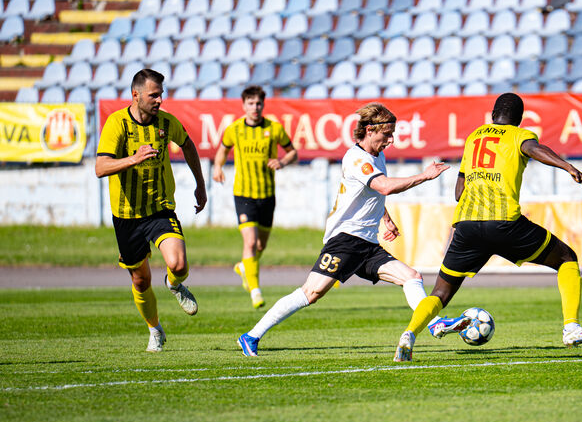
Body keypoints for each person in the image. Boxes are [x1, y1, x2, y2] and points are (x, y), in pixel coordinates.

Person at [393, 93, 582, 362]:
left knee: (440, 293)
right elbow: (534, 149)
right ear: (519, 118)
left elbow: (459, 192)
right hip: (504, 223)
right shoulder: (520, 135)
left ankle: (409, 335)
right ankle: (571, 328)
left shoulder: (474, 138)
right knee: (566, 258)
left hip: (467, 226)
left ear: (493, 114)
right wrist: (566, 166)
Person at [236, 102, 449, 356]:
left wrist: (386, 218)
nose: (391, 140)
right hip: (346, 240)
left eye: (392, 134)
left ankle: (433, 323)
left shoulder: (378, 156)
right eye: (387, 134)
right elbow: (384, 186)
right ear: (370, 130)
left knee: (411, 277)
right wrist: (424, 176)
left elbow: (369, 193)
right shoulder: (357, 158)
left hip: (367, 243)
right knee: (311, 292)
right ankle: (251, 336)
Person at [95, 68, 207, 352]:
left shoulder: (166, 123)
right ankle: (155, 329)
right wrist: (133, 159)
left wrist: (200, 185)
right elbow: (100, 167)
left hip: (159, 209)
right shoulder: (117, 123)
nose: (160, 100)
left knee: (178, 264)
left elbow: (188, 145)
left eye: (161, 94)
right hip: (127, 216)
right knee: (140, 279)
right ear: (136, 95)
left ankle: (174, 284)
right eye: (154, 95)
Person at [212, 86, 298, 309]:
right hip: (244, 194)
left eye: (258, 103)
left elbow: (293, 152)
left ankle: (244, 267)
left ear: (263, 105)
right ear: (243, 105)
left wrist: (282, 162)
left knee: (260, 245)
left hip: (267, 195)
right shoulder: (234, 129)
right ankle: (255, 291)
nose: (255, 107)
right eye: (250, 103)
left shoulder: (274, 128)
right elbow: (223, 150)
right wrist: (217, 167)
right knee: (250, 242)